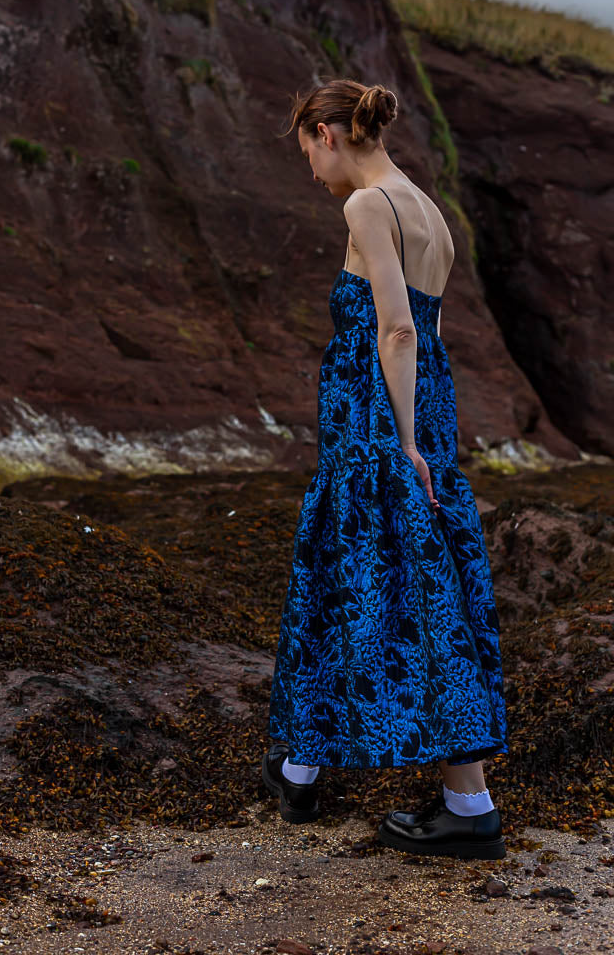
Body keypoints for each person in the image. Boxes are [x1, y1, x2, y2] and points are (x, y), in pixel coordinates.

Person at [262, 79, 509, 860]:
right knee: (396, 578)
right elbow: (428, 331)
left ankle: (468, 804)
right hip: (425, 406)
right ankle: (302, 765)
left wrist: (400, 443)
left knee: (391, 584)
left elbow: (397, 330)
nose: (310, 170)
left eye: (308, 150)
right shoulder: (430, 212)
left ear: (329, 134)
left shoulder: (368, 206)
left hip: (383, 419)